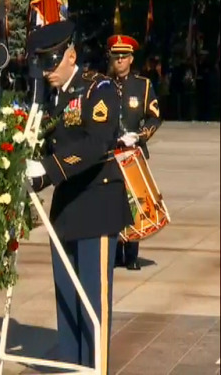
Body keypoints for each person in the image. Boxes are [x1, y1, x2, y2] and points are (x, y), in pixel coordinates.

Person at [25, 21, 133, 374]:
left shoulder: (98, 89)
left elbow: (95, 144)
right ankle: (72, 367)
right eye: (42, 64)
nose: (45, 71)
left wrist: (47, 170)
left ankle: (95, 369)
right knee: (67, 296)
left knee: (93, 299)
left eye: (51, 63)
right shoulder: (55, 96)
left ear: (70, 56)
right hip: (67, 205)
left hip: (96, 202)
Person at [107, 34, 162, 271]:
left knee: (134, 203)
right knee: (110, 203)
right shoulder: (102, 85)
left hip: (133, 153)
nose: (119, 61)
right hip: (109, 152)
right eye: (115, 56)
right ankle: (114, 252)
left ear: (131, 59)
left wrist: (140, 136)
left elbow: (155, 116)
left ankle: (131, 254)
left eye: (123, 57)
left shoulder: (142, 85)